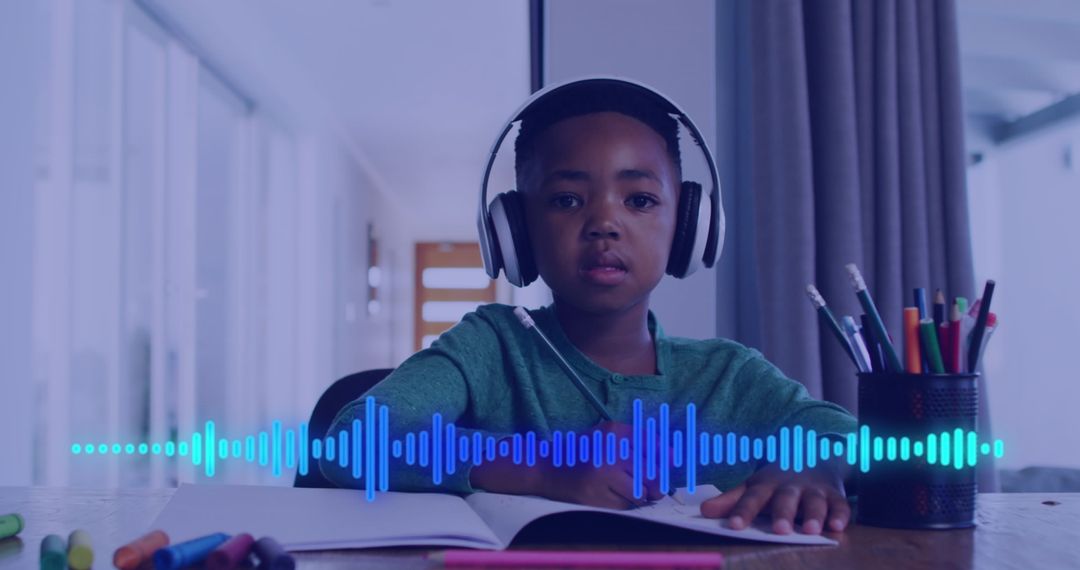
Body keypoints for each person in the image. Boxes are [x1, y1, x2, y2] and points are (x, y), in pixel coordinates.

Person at [321, 79, 855, 536]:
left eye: (640, 200)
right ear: (517, 232)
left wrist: (817, 467)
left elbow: (845, 435)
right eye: (567, 200)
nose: (604, 222)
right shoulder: (492, 346)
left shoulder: (729, 377)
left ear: (690, 227)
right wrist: (542, 466)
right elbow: (353, 443)